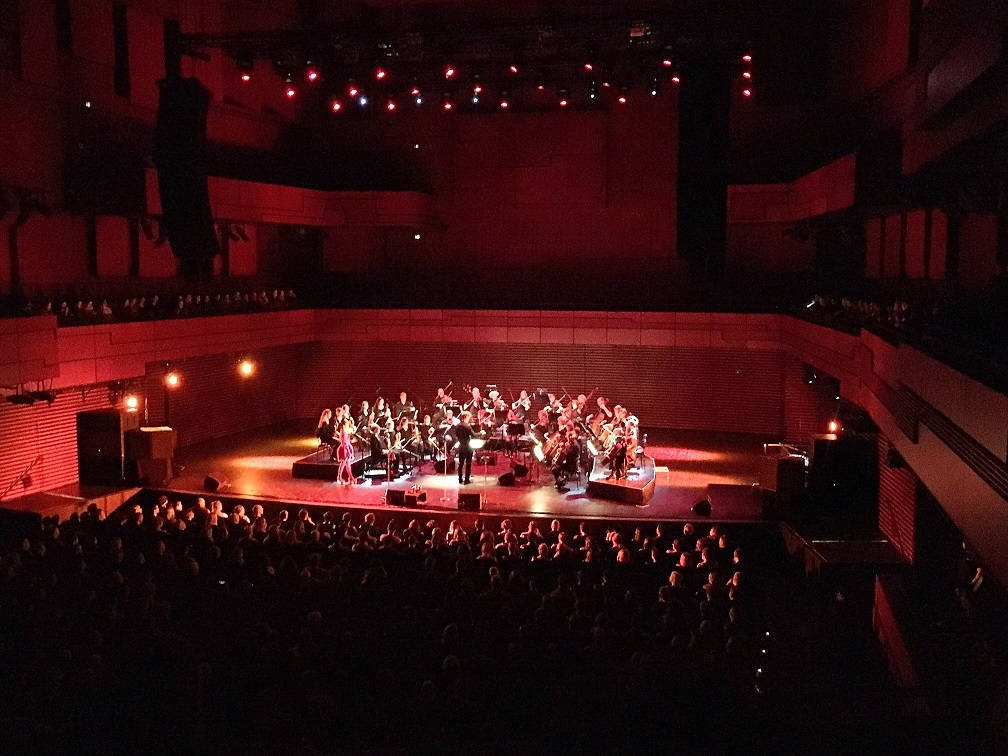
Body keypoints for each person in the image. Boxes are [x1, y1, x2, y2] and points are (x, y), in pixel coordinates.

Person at [454, 411, 475, 485]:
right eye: (469, 417)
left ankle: (460, 479)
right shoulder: (467, 426)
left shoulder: (457, 426)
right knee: (468, 464)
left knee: (461, 463)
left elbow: (456, 435)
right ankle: (466, 480)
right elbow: (474, 435)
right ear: (466, 417)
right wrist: (481, 433)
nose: (469, 419)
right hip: (468, 447)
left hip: (461, 446)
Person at [336, 415, 356, 485]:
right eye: (347, 422)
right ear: (344, 424)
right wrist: (347, 449)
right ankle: (339, 477)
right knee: (343, 464)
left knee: (348, 464)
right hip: (344, 448)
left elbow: (349, 438)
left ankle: (351, 477)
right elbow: (343, 441)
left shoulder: (347, 430)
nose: (348, 423)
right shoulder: (343, 430)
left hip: (347, 447)